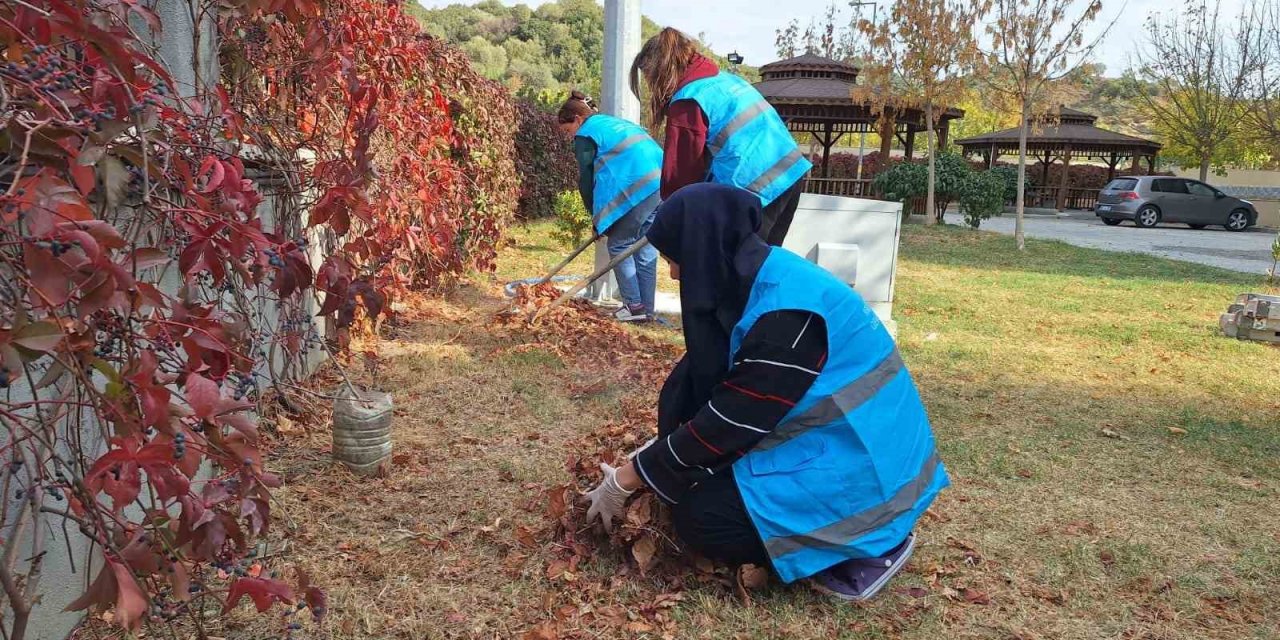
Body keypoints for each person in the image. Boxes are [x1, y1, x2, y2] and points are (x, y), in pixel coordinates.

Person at [583, 184, 949, 601]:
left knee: (702, 520)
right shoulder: (764, 274)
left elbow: (729, 424)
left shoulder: (788, 316)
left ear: (702, 249)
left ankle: (870, 545)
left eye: (675, 259)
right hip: (835, 444)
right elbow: (725, 391)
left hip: (868, 474)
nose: (674, 274)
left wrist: (631, 475)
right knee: (692, 465)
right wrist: (661, 456)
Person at [629, 28, 812, 246]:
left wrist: (672, 227)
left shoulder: (688, 100)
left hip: (756, 190)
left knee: (729, 272)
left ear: (661, 70)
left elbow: (681, 179)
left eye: (649, 77)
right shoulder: (727, 81)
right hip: (790, 175)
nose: (651, 86)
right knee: (761, 269)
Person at [557, 91, 662, 322]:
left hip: (637, 186)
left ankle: (634, 307)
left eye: (567, 130)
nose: (569, 136)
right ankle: (647, 310)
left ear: (577, 119)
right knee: (643, 248)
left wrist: (596, 218)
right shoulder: (611, 122)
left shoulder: (586, 133)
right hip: (659, 184)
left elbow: (586, 179)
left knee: (619, 245)